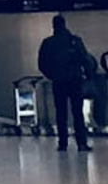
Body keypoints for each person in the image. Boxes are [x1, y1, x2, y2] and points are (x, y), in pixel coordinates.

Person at [38, 15, 94, 152]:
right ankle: (81, 142)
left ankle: (62, 143)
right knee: (77, 112)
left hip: (58, 82)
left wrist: (52, 76)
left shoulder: (48, 43)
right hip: (75, 80)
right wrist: (89, 76)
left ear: (53, 26)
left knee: (61, 113)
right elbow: (85, 60)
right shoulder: (74, 41)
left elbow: (42, 64)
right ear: (65, 24)